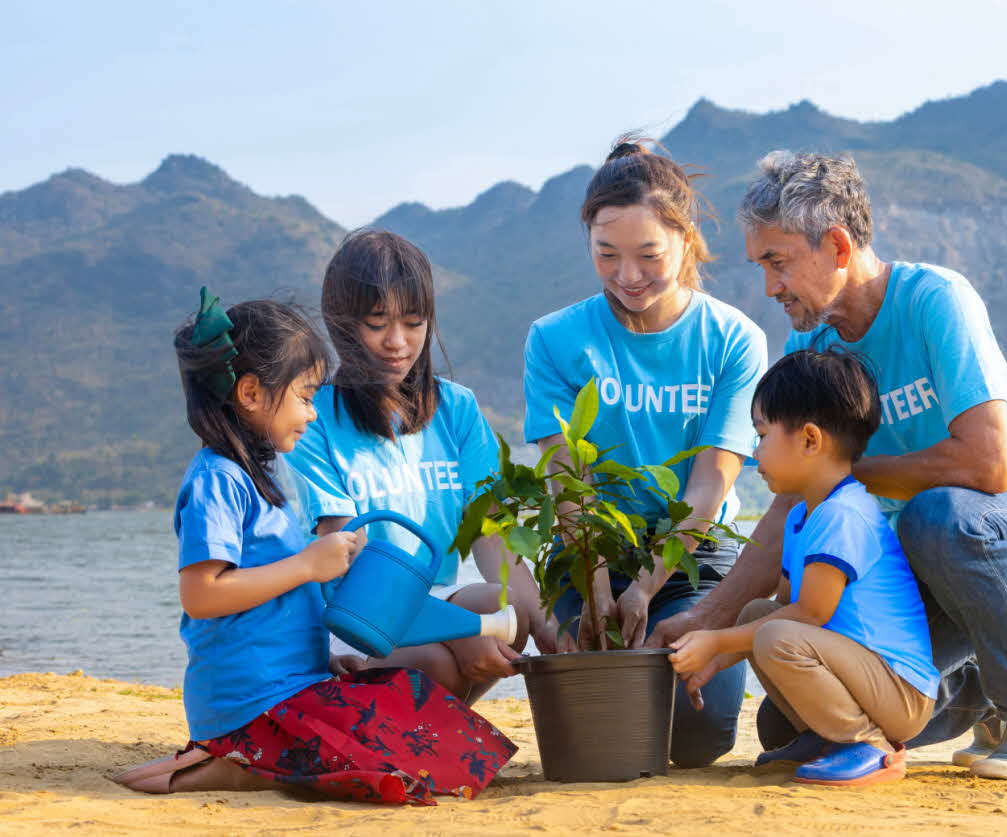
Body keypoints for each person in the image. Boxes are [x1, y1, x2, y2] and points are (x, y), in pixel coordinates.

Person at [649, 151, 1007, 782]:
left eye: (778, 262)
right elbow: (791, 501)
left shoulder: (935, 301)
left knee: (937, 513)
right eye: (762, 267)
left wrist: (844, 478)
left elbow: (989, 465)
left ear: (837, 246)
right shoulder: (812, 343)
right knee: (791, 723)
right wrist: (708, 620)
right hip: (924, 570)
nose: (770, 287)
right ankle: (980, 690)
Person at [113, 290, 515, 803]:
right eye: (304, 398)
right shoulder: (217, 479)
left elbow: (274, 610)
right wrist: (306, 565)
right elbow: (202, 595)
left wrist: (324, 661)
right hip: (253, 704)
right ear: (252, 393)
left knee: (434, 727)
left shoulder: (260, 481)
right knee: (418, 766)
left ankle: (250, 760)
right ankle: (236, 766)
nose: (311, 414)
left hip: (291, 688)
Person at [523, 138, 768, 767]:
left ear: (686, 240)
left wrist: (645, 587)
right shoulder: (554, 339)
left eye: (649, 255)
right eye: (607, 254)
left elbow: (709, 486)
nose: (628, 276)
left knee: (697, 734)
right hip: (591, 547)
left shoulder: (733, 339)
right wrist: (597, 580)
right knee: (598, 721)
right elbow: (566, 478)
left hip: (692, 557)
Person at [285, 230, 557, 705]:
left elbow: (491, 534)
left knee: (506, 607)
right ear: (343, 324)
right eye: (377, 324)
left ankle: (428, 726)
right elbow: (350, 557)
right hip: (357, 621)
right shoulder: (312, 415)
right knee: (434, 660)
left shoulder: (457, 408)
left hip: (430, 607)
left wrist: (548, 629)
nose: (398, 343)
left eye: (414, 323)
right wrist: (461, 629)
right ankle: (419, 726)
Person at [669, 349, 939, 786]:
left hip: (899, 692)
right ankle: (825, 737)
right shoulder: (802, 517)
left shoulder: (843, 514)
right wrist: (717, 659)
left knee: (775, 633)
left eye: (762, 435)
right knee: (759, 614)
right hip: (862, 677)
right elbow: (781, 609)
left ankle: (867, 744)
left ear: (810, 440)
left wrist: (716, 639)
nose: (755, 452)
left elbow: (810, 614)